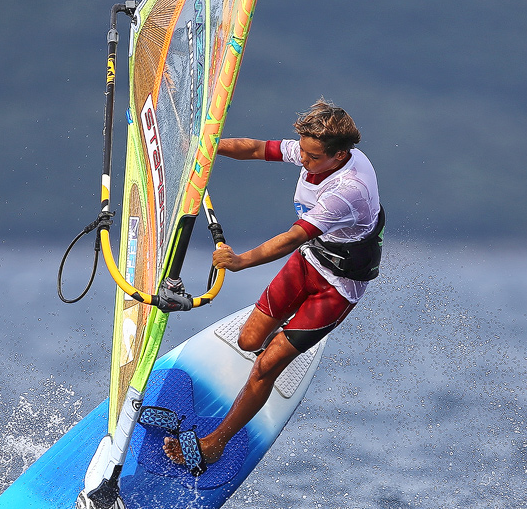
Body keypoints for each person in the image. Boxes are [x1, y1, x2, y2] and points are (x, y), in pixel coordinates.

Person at [163, 99, 384, 475]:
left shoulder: (349, 190)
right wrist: (205, 148)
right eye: (304, 152)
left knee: (266, 365)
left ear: (340, 154)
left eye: (313, 157)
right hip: (312, 260)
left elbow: (291, 238)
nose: (304, 160)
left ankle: (215, 444)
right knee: (249, 341)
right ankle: (279, 350)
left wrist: (240, 262)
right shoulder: (316, 151)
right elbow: (255, 148)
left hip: (339, 286)